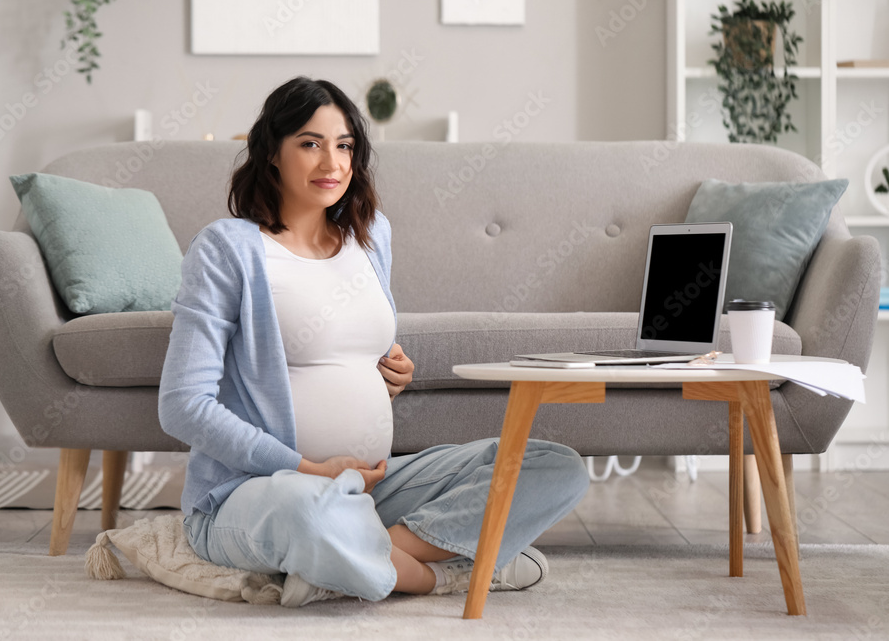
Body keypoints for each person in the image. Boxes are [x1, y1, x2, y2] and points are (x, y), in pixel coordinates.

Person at [158, 76, 590, 608]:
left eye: (344, 146)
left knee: (556, 465)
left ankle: (355, 556)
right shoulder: (227, 249)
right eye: (310, 144)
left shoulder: (371, 234)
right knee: (309, 513)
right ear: (271, 152)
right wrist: (309, 470)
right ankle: (446, 574)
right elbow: (182, 406)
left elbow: (346, 351)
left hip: (372, 486)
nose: (332, 163)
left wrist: (387, 373)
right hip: (260, 490)